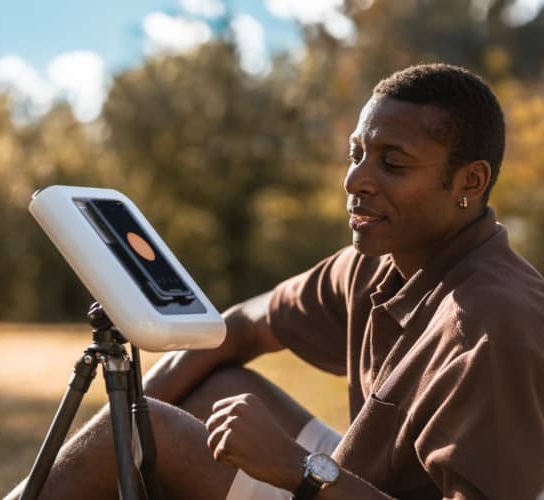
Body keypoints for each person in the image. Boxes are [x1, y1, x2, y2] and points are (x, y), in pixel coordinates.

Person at [31, 63, 544, 499]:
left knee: (149, 435)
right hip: (352, 480)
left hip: (333, 485)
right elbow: (240, 327)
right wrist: (130, 410)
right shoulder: (379, 262)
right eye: (357, 153)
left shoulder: (489, 323)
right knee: (208, 386)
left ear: (469, 182)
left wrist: (299, 468)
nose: (356, 180)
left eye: (392, 162)